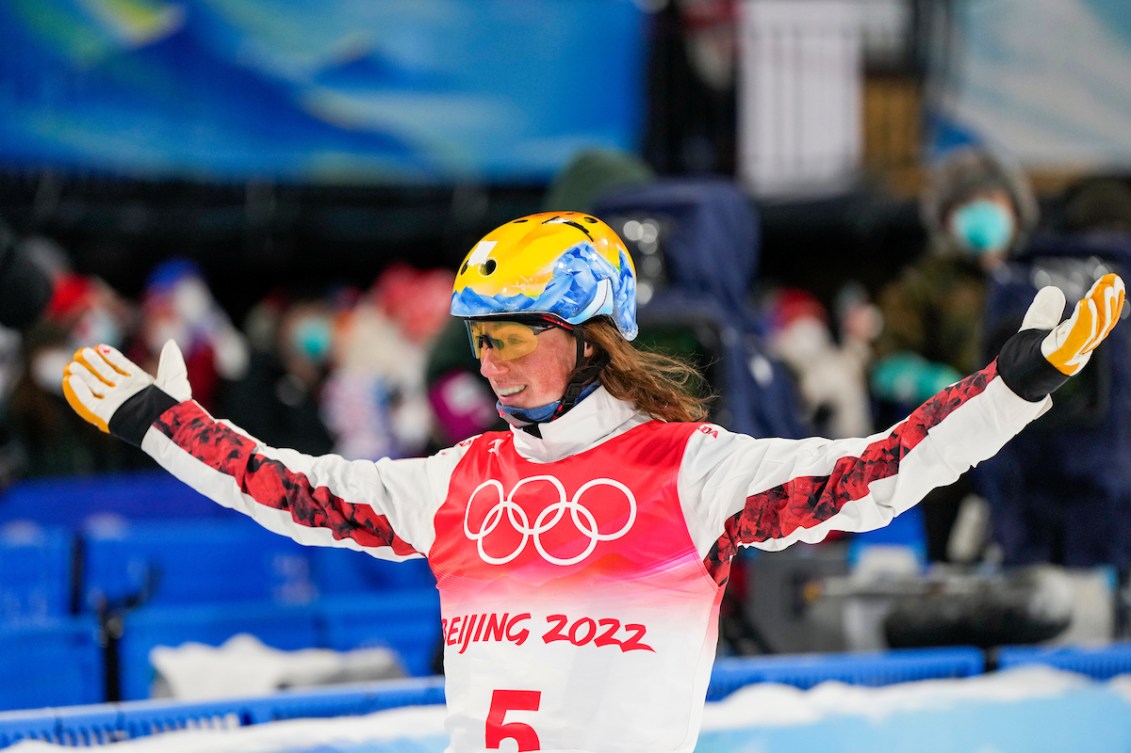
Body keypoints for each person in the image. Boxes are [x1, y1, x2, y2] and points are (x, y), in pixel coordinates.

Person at [62, 211, 1122, 753]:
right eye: (478, 338)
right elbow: (288, 490)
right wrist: (158, 422)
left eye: (514, 334)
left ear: (588, 338)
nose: (489, 360)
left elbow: (876, 474)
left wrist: (1011, 391)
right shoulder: (456, 481)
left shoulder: (696, 472)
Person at [870, 145, 1040, 562]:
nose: (982, 211)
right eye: (968, 202)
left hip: (1034, 447)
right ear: (946, 217)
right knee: (952, 555)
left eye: (992, 199)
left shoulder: (1040, 277)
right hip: (954, 444)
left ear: (1015, 209)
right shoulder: (922, 285)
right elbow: (885, 364)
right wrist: (932, 382)